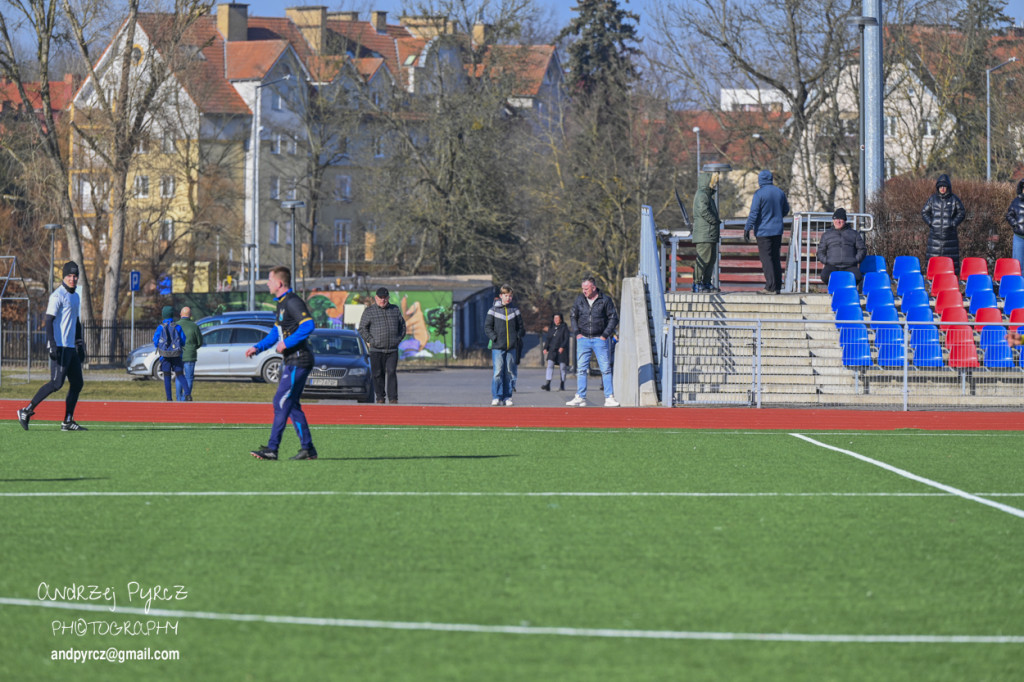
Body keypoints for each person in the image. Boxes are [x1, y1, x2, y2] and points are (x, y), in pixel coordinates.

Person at [246, 266, 317, 460]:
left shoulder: (293, 302)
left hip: (299, 360)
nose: (267, 284)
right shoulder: (282, 304)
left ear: (279, 283)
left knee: (281, 400)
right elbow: (275, 333)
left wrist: (287, 343)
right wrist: (258, 347)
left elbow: (309, 325)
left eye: (269, 280)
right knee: (291, 405)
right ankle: (307, 449)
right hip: (293, 360)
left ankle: (272, 449)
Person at [16, 261, 88, 431]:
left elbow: (76, 322)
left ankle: (68, 421)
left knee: (77, 383)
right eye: (69, 275)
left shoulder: (76, 295)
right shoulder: (57, 295)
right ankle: (26, 411)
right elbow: (48, 320)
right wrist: (52, 344)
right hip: (61, 346)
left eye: (75, 275)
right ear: (63, 276)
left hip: (71, 348)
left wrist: (80, 343)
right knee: (56, 384)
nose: (73, 278)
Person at [566, 277, 620, 407]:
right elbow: (573, 316)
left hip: (599, 339)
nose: (584, 291)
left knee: (605, 369)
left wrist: (605, 335)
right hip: (583, 338)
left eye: (586, 289)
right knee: (581, 369)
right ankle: (580, 396)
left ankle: (609, 397)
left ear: (593, 288)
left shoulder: (605, 300)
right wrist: (577, 332)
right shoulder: (580, 299)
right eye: (582, 289)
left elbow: (613, 318)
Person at [744, 169, 791, 294]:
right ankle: (777, 286)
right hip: (777, 230)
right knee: (775, 258)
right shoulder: (780, 192)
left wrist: (748, 227)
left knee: (766, 259)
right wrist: (777, 216)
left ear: (760, 180)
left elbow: (754, 213)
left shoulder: (759, 194)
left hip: (763, 231)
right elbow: (786, 209)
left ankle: (770, 286)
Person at [358, 286, 406, 404]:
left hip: (392, 349)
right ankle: (380, 397)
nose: (383, 300)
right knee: (377, 374)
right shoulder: (369, 311)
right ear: (376, 298)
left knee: (391, 372)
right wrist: (371, 340)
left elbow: (403, 326)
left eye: (385, 298)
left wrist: (398, 339)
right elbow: (362, 328)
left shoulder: (395, 310)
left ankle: (393, 398)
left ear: (388, 298)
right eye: (380, 298)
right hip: (376, 349)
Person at [484, 284, 524, 406]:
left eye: (510, 296)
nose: (508, 298)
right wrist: (495, 338)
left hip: (511, 347)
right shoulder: (493, 310)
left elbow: (521, 328)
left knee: (509, 372)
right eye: (506, 295)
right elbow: (487, 327)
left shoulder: (515, 311)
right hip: (498, 347)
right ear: (501, 296)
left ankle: (507, 396)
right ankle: (496, 396)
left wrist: (517, 336)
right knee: (498, 372)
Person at [921, 173, 966, 276]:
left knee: (950, 266)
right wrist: (931, 223)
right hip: (934, 239)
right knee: (934, 266)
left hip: (950, 239)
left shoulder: (954, 199)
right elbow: (924, 212)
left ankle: (949, 286)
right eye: (940, 186)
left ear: (948, 187)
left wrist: (953, 223)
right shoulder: (933, 199)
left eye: (944, 186)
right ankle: (933, 286)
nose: (942, 188)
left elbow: (962, 212)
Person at [817, 208, 867, 286]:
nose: (838, 221)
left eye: (840, 219)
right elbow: (820, 252)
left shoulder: (854, 234)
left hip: (849, 266)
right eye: (836, 219)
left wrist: (855, 260)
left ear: (845, 220)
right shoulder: (826, 235)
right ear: (833, 220)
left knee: (857, 277)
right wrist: (826, 260)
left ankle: (847, 290)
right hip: (832, 265)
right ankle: (837, 290)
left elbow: (862, 249)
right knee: (825, 276)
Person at [691, 169, 721, 292]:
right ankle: (697, 283)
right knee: (704, 259)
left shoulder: (707, 195)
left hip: (710, 234)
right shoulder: (702, 195)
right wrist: (714, 220)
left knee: (711, 259)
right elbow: (703, 211)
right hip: (705, 234)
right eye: (713, 182)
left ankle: (706, 282)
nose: (714, 184)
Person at [153, 305, 186, 402]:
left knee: (167, 376)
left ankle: (169, 398)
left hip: (165, 355)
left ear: (163, 315)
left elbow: (155, 340)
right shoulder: (177, 326)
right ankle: (185, 394)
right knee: (180, 375)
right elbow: (183, 340)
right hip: (176, 355)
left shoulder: (160, 327)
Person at [177, 306, 202, 401]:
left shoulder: (175, 325)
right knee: (189, 377)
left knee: (179, 376)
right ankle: (185, 398)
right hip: (190, 354)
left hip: (177, 355)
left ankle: (178, 398)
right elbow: (199, 342)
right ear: (190, 315)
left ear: (180, 314)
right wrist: (192, 348)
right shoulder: (194, 326)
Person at [541, 312, 570, 391]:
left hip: (561, 350)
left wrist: (562, 346)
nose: (556, 320)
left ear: (561, 319)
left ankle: (562, 384)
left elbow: (566, 338)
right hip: (552, 350)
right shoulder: (552, 327)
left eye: (557, 318)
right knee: (550, 365)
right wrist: (545, 348)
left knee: (562, 368)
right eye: (554, 318)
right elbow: (548, 339)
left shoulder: (564, 327)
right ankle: (548, 383)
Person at [1005, 178, 1024, 276]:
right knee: (1018, 266)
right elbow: (1009, 215)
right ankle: (1019, 289)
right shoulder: (1016, 201)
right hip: (1019, 238)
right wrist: (1015, 224)